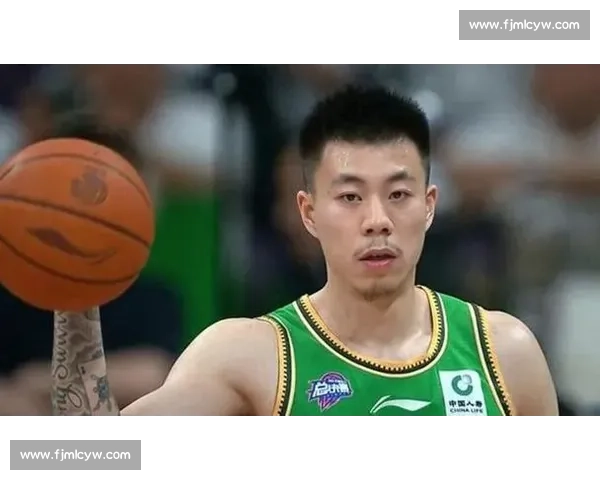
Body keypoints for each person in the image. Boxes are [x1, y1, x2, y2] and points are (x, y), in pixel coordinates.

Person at [51, 85, 558, 416]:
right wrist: (75, 298)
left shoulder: (505, 351)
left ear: (429, 207)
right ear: (309, 212)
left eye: (398, 194)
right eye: (350, 197)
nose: (377, 219)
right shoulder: (248, 354)